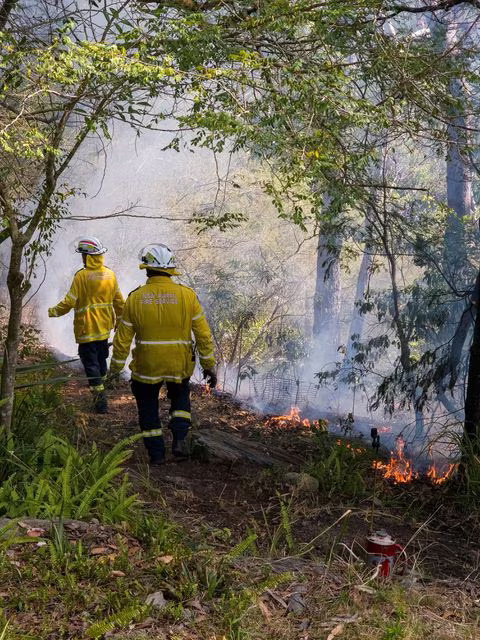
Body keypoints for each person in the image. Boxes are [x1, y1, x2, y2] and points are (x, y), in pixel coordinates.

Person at [108, 243, 217, 464]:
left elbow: (122, 340)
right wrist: (209, 365)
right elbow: (203, 335)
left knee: (148, 407)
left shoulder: (135, 298)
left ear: (146, 269)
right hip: (179, 365)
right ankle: (179, 440)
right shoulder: (187, 296)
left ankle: (156, 454)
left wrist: (114, 370)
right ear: (171, 270)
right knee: (180, 399)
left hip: (146, 368)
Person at [48, 236, 124, 413]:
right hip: (104, 331)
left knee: (91, 366)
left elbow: (69, 302)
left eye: (83, 255)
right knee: (101, 362)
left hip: (87, 330)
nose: (81, 258)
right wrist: (119, 322)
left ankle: (100, 403)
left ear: (88, 256)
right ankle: (102, 392)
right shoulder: (110, 275)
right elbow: (120, 303)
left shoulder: (81, 276)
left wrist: (52, 312)